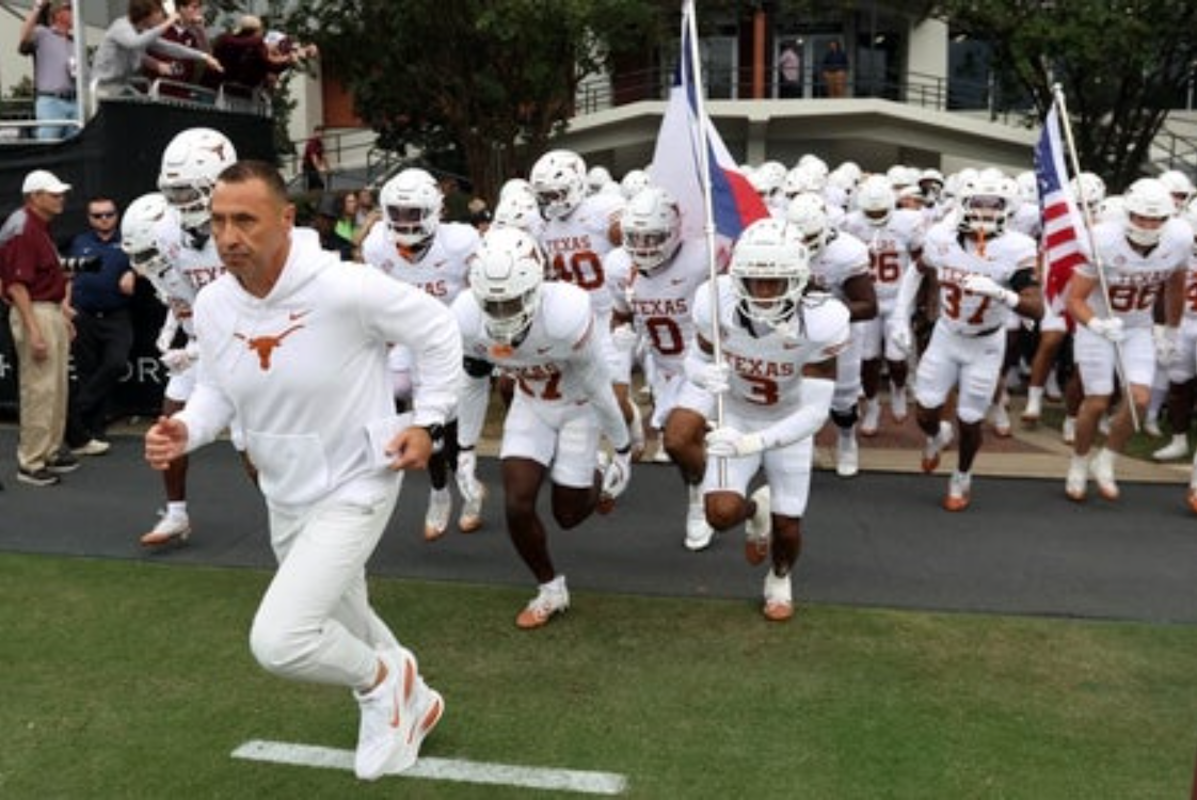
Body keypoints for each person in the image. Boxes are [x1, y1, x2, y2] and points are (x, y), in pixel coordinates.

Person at [144, 160, 457, 781]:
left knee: (281, 639)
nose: (230, 235)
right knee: (344, 614)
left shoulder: (346, 287)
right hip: (282, 487)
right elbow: (218, 392)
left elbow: (440, 329)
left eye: (245, 220)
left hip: (358, 480)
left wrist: (430, 419)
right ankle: (412, 701)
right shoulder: (211, 303)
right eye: (219, 221)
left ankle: (383, 683)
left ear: (286, 220)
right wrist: (188, 430)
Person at [451, 227, 632, 629]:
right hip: (531, 405)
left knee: (567, 515)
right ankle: (550, 588)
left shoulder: (566, 311)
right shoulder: (466, 314)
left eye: (511, 301)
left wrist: (622, 449)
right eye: (491, 303)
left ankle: (597, 472)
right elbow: (474, 383)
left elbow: (598, 386)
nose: (501, 313)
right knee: (516, 502)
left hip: (579, 407)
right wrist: (465, 449)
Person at [687, 218, 849, 621]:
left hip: (789, 425)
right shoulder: (715, 299)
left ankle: (779, 578)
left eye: (774, 281)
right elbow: (696, 358)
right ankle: (755, 515)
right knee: (719, 514)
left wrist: (754, 444)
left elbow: (815, 412)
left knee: (789, 526)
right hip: (738, 416)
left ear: (797, 278)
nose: (762, 291)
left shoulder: (821, 319)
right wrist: (699, 374)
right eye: (754, 280)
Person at [890, 171, 1043, 510]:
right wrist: (899, 316)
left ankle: (962, 475)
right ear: (963, 204)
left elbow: (1036, 307)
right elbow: (917, 270)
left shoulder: (1016, 247)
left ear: (1009, 207)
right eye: (979, 204)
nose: (986, 212)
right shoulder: (940, 237)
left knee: (970, 417)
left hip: (986, 344)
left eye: (995, 205)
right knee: (926, 411)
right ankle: (936, 437)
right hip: (947, 334)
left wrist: (1003, 294)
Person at [361, 168, 486, 539]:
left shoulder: (461, 242)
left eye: (412, 213)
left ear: (434, 210)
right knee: (417, 413)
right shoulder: (377, 246)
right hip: (409, 342)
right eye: (396, 213)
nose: (403, 222)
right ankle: (441, 492)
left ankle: (462, 486)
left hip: (454, 343)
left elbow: (483, 291)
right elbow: (375, 297)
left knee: (444, 422)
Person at [138, 126, 237, 547]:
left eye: (187, 192)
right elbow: (187, 301)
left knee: (253, 449)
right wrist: (184, 342)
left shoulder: (242, 229)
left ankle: (289, 519)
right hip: (202, 350)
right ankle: (176, 512)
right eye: (172, 193)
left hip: (248, 347)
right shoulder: (168, 234)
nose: (180, 204)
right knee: (168, 425)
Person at [606, 186, 719, 551]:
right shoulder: (620, 266)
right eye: (634, 236)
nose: (642, 245)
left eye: (652, 236)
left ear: (673, 232)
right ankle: (698, 485)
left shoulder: (702, 257)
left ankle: (700, 497)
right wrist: (621, 340)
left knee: (677, 439)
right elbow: (621, 315)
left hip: (703, 364)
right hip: (662, 367)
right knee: (680, 448)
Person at [1064, 177, 1188, 503]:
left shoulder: (1179, 238)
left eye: (1156, 218)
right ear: (1127, 214)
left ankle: (1106, 460)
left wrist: (1170, 329)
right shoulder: (1102, 239)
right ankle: (1078, 462)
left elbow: (1176, 283)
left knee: (1140, 400)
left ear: (1168, 218)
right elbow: (1073, 299)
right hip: (1097, 325)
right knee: (1098, 400)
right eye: (1141, 217)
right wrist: (1097, 324)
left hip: (1137, 327)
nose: (1147, 225)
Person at [1, 170, 79, 486]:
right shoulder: (23, 229)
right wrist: (34, 330)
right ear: (35, 197)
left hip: (47, 310)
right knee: (39, 389)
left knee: (55, 386)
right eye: (54, 193)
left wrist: (61, 315)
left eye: (61, 193)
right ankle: (31, 462)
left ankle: (48, 452)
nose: (61, 198)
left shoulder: (36, 226)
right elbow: (17, 286)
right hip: (35, 310)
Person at [64, 197, 136, 455]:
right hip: (84, 315)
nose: (104, 219)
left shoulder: (129, 240)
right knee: (86, 371)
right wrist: (65, 306)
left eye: (108, 214)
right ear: (89, 218)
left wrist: (134, 273)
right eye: (97, 215)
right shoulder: (80, 242)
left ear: (117, 215)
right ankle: (89, 431)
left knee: (115, 363)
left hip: (117, 315)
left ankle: (74, 412)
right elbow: (68, 276)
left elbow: (151, 263)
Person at [92, 0, 222, 97]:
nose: (162, 16)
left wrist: (205, 56)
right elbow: (135, 43)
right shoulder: (121, 26)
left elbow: (170, 47)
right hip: (103, 89)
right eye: (159, 12)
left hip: (121, 88)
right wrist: (169, 22)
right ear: (147, 15)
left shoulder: (142, 31)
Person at [18, 0, 78, 140]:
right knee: (47, 148)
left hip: (75, 102)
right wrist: (38, 6)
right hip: (51, 102)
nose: (74, 12)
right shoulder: (42, 33)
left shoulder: (75, 41)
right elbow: (24, 37)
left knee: (74, 150)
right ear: (57, 14)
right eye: (70, 8)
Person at [147, 0, 212, 99]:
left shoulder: (192, 37)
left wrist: (201, 30)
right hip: (151, 94)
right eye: (194, 7)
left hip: (180, 97)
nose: (198, 12)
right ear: (181, 8)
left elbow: (208, 58)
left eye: (199, 8)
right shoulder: (161, 29)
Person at [311, 192, 353, 259]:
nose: (326, 222)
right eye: (323, 217)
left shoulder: (344, 246)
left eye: (331, 219)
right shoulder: (304, 240)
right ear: (316, 217)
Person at [301, 126, 329, 191]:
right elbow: (314, 158)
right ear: (315, 133)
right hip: (308, 167)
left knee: (315, 185)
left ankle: (312, 198)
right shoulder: (312, 143)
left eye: (322, 133)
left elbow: (324, 156)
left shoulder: (320, 143)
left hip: (314, 167)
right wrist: (319, 169)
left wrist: (328, 168)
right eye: (319, 133)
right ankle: (311, 198)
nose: (321, 135)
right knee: (318, 185)